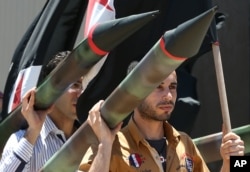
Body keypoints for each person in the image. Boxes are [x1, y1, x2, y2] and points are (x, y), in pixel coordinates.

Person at [79, 70, 245, 172]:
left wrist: (234, 162)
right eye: (158, 87)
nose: (168, 96)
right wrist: (105, 145)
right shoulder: (109, 145)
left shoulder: (185, 142)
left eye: (172, 87)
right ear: (135, 93)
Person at [0, 51, 83, 171]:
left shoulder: (93, 139)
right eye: (75, 85)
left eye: (85, 85)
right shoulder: (22, 140)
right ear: (52, 89)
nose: (82, 92)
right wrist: (32, 132)